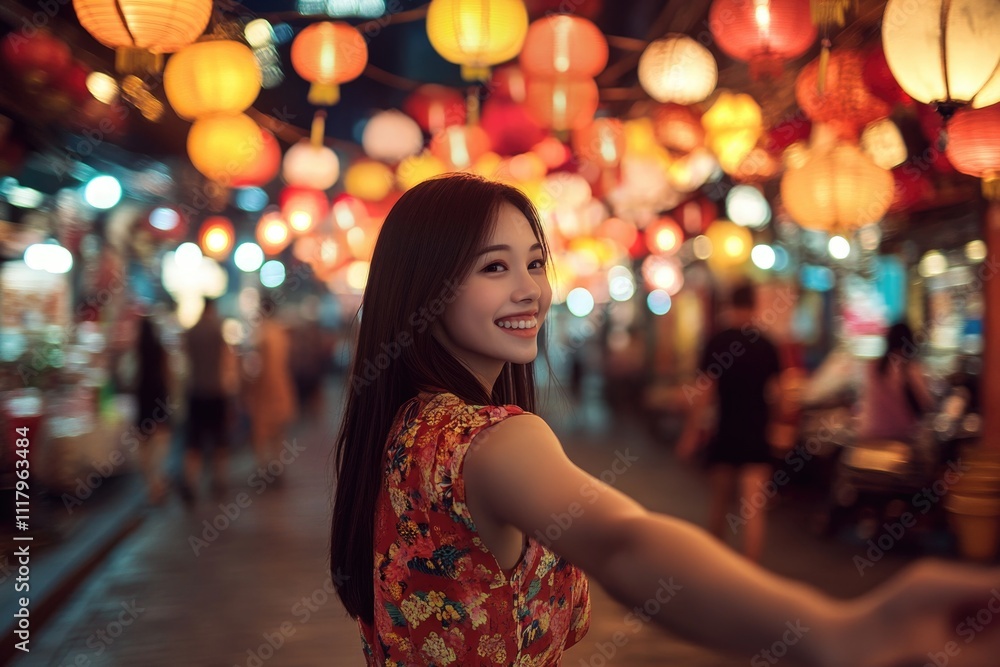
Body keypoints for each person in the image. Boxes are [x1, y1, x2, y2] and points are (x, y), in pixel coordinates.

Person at [330, 174, 1000, 667]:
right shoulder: (490, 439)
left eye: (534, 263)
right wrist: (839, 631)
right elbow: (625, 542)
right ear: (426, 288)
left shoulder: (404, 429)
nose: (529, 289)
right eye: (494, 267)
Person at [676, 282, 781, 562]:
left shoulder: (718, 342)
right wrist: (774, 427)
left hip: (726, 430)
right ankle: (751, 570)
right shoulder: (767, 345)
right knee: (753, 508)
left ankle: (716, 565)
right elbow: (779, 394)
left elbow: (704, 394)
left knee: (719, 502)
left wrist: (690, 434)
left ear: (729, 306)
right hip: (757, 431)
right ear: (754, 306)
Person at [181, 297, 236, 504]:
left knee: (194, 440)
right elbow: (227, 361)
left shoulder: (191, 332)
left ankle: (190, 481)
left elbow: (185, 360)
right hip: (216, 391)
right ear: (211, 309)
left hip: (196, 391)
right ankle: (219, 479)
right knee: (219, 437)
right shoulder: (218, 330)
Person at [243, 295, 297, 474]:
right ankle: (276, 466)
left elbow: (257, 366)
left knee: (261, 432)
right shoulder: (281, 332)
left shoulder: (262, 333)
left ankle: (264, 467)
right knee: (278, 432)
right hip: (281, 386)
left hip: (265, 388)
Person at [856, 322, 935, 443]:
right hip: (900, 437)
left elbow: (863, 398)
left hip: (868, 434)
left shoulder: (871, 366)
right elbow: (926, 402)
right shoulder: (910, 368)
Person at [133, 314, 171, 505]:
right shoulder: (160, 350)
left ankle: (153, 486)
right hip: (158, 399)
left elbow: (129, 377)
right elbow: (168, 375)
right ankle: (158, 484)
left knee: (145, 449)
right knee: (160, 447)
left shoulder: (137, 351)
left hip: (143, 400)